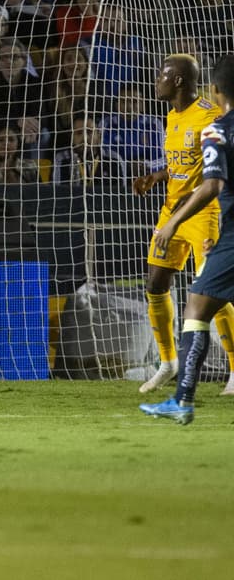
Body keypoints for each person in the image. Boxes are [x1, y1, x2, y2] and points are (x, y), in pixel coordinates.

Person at [131, 54, 234, 394]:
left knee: (212, 290)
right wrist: (157, 176)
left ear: (178, 80)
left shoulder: (209, 116)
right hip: (171, 209)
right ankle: (168, 362)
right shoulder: (172, 116)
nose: (156, 81)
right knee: (155, 282)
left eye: (162, 75)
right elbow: (183, 164)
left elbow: (214, 167)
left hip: (204, 212)